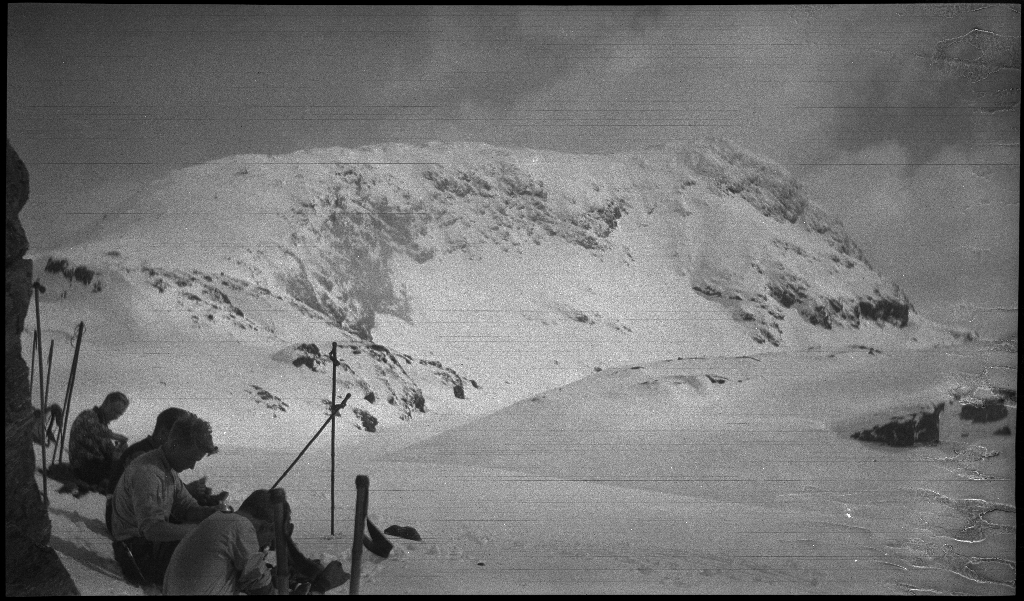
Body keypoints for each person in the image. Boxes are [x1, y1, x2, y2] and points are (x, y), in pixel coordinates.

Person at [109, 412, 225, 586]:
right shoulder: (148, 473)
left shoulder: (167, 470)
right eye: (190, 459)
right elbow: (152, 529)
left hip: (151, 546)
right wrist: (196, 532)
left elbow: (186, 508)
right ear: (174, 444)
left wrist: (211, 513)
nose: (192, 466)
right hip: (136, 552)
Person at [162, 489, 278, 595]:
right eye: (270, 539)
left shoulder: (218, 520)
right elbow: (258, 580)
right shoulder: (241, 525)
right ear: (266, 527)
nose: (265, 545)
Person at [105, 407, 191, 536]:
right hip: (121, 519)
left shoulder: (160, 456)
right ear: (163, 433)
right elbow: (148, 495)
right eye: (179, 437)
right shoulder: (143, 456)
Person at [67, 391, 130, 492]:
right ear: (107, 403)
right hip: (85, 466)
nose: (116, 416)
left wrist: (121, 452)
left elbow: (110, 450)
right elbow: (95, 428)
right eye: (114, 411)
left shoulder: (102, 424)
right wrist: (116, 436)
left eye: (119, 414)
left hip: (96, 466)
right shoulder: (88, 415)